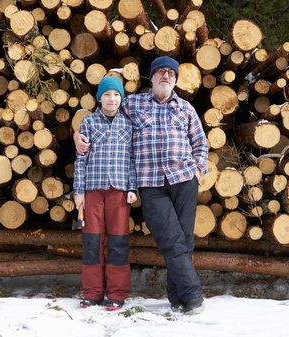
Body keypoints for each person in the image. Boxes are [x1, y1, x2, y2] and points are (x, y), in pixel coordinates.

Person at [75, 56, 209, 315]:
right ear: (152, 77)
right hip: (151, 184)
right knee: (171, 239)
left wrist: (195, 171)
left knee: (185, 239)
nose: (166, 76)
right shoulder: (133, 104)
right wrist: (76, 136)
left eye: (171, 73)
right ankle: (193, 296)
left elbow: (201, 144)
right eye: (160, 72)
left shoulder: (186, 108)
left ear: (176, 80)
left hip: (183, 179)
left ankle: (176, 298)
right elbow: (103, 115)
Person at [73, 76, 138, 311]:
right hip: (92, 191)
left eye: (117, 95)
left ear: (121, 98)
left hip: (119, 192)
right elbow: (81, 159)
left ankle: (117, 293)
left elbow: (133, 160)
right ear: (100, 97)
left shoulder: (128, 124)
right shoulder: (89, 123)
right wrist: (78, 191)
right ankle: (92, 292)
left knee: (118, 242)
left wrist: (132, 187)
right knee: (92, 241)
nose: (112, 99)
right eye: (107, 94)